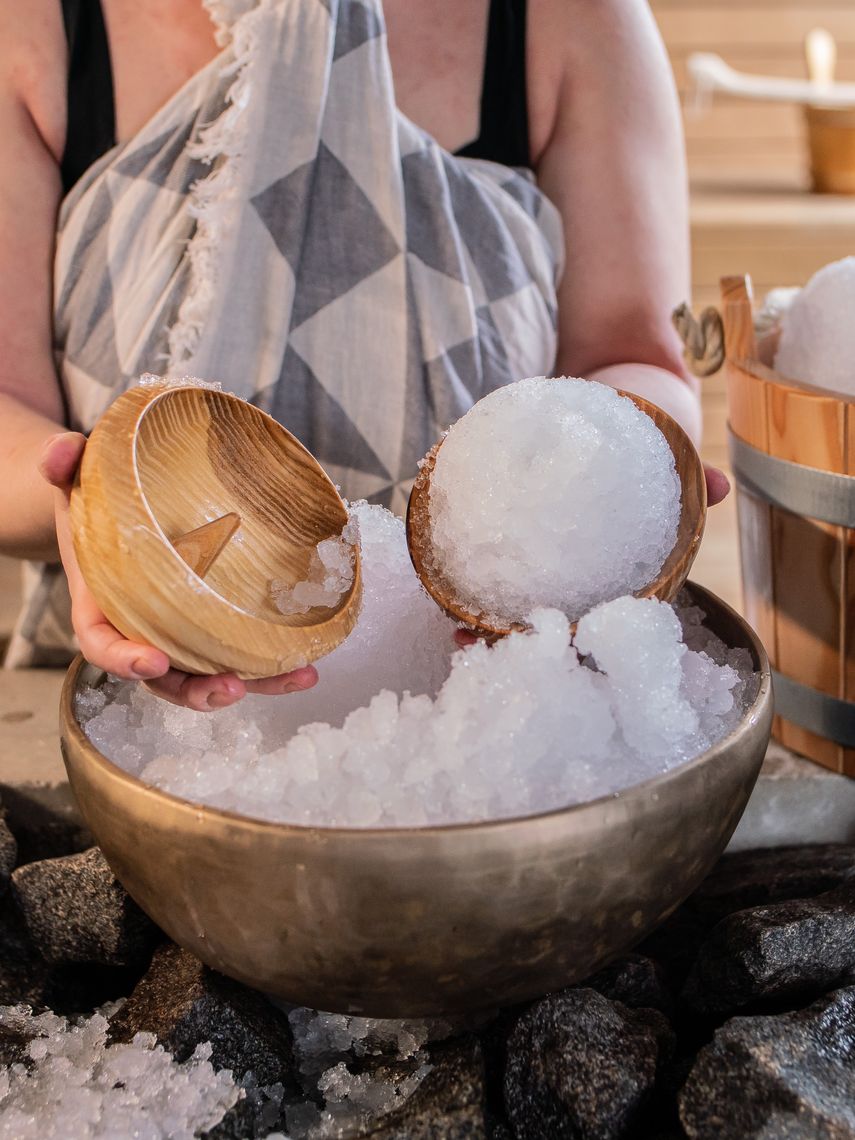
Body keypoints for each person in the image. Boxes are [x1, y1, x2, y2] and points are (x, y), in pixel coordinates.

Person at [0, 0, 726, 710]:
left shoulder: (575, 17)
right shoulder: (32, 23)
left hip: (499, 704)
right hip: (123, 687)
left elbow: (633, 353)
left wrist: (618, 488)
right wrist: (88, 520)